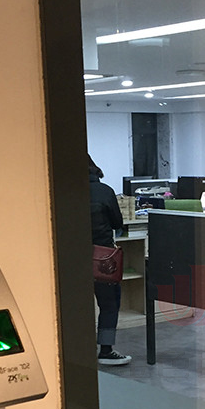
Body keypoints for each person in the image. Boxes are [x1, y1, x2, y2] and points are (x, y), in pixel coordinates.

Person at [89, 156, 132, 365]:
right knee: (109, 303)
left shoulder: (64, 191)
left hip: (71, 257)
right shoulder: (105, 191)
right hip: (102, 258)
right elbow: (117, 222)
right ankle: (106, 351)